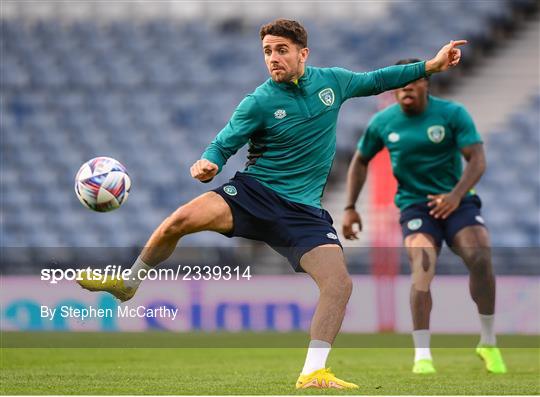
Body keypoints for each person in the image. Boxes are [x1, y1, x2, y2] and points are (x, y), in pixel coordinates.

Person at [79, 20, 466, 389]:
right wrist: (209, 161)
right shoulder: (259, 101)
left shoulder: (333, 82)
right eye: (267, 51)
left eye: (282, 50)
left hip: (303, 212)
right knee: (178, 220)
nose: (273, 58)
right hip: (255, 195)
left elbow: (378, 80)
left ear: (303, 54)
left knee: (339, 283)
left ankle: (314, 372)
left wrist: (430, 66)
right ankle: (129, 284)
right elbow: (224, 142)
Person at [342, 58, 507, 375]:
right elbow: (360, 160)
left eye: (412, 83)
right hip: (415, 206)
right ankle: (422, 355)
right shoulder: (383, 122)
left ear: (425, 84)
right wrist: (350, 207)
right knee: (423, 264)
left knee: (480, 257)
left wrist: (456, 195)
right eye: (400, 85)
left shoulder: (451, 114)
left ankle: (487, 341)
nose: (405, 89)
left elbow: (477, 159)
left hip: (457, 200)